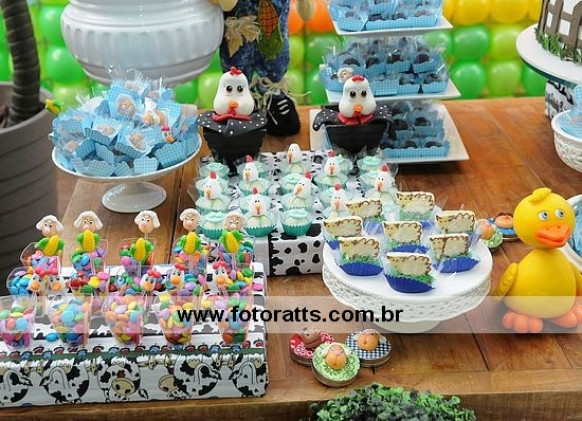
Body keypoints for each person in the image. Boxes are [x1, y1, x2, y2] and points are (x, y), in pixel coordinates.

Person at [212, 0, 315, 136]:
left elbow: (307, 13)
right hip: (239, 29)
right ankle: (238, 96)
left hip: (273, 30)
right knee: (237, 64)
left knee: (274, 57)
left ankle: (272, 95)